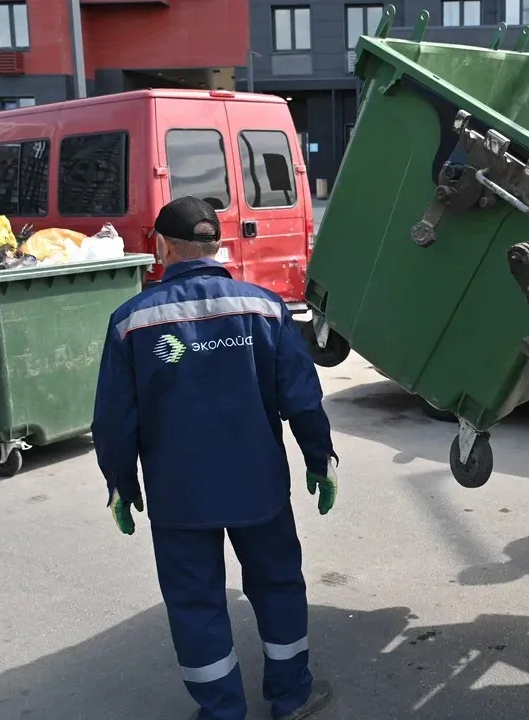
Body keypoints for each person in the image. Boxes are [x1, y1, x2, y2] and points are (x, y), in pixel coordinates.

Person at [91, 195, 339, 720]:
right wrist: (320, 458)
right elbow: (302, 398)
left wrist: (120, 482)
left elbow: (115, 419)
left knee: (195, 602)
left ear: (161, 247)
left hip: (179, 494)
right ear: (218, 245)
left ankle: (222, 711)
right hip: (260, 486)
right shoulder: (264, 308)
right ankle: (290, 697)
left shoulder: (131, 322)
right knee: (277, 585)